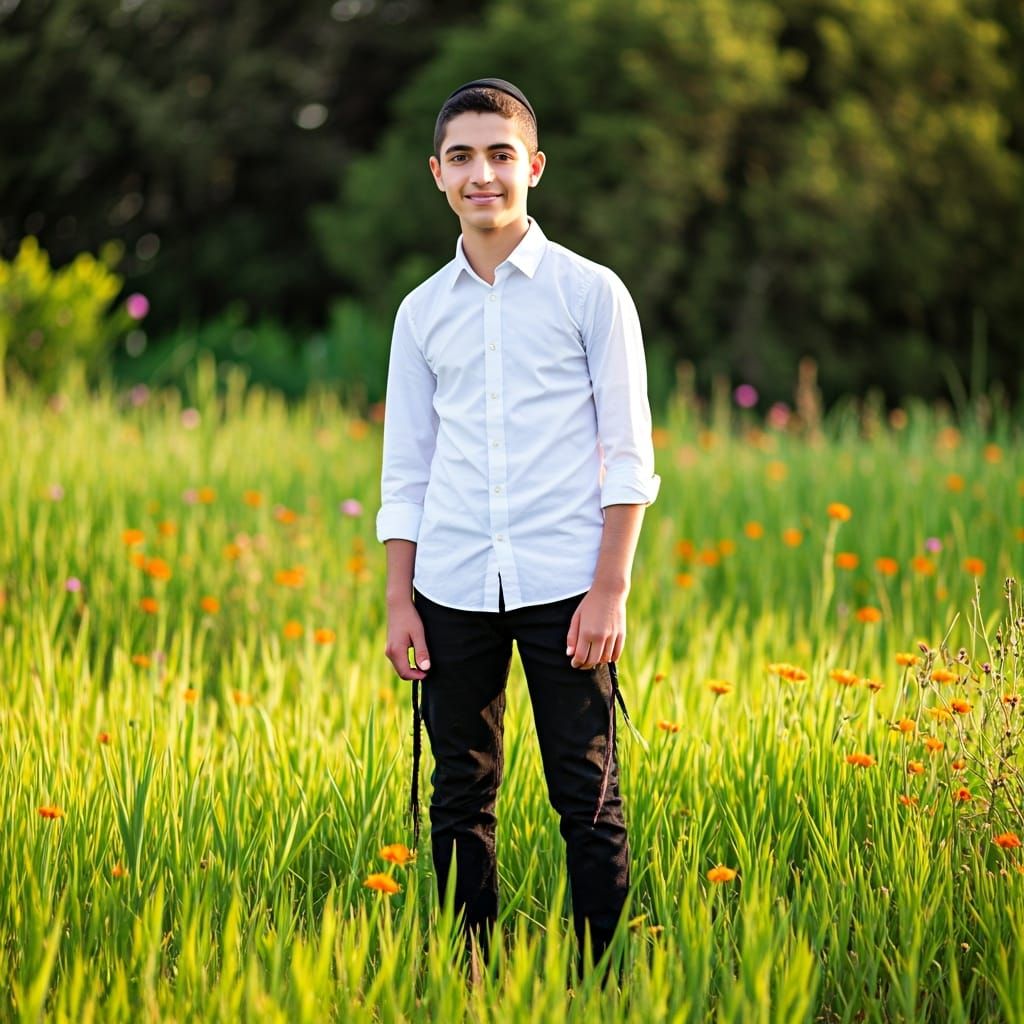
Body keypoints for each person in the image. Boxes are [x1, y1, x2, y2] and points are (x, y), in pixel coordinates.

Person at [376, 78, 660, 974]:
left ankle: (603, 976)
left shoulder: (591, 293)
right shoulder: (421, 312)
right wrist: (398, 601)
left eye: (501, 155)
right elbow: (407, 468)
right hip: (452, 582)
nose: (482, 174)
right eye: (462, 156)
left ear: (533, 166)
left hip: (567, 585)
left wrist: (609, 589)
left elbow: (629, 454)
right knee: (458, 793)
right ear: (437, 174)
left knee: (588, 793)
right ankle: (470, 974)